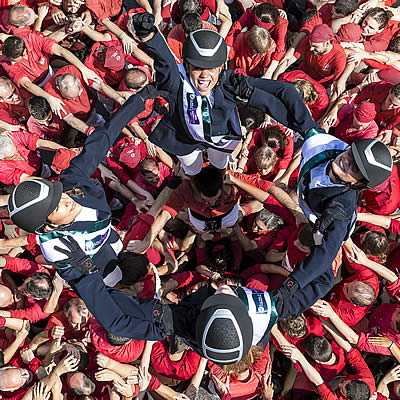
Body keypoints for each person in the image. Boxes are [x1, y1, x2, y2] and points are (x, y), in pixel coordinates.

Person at [7, 86, 165, 287]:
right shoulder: (59, 249)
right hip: (105, 263)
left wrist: (139, 100)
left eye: (59, 194)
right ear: (48, 227)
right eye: (56, 207)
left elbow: (103, 138)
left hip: (111, 234)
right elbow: (99, 296)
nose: (67, 200)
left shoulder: (72, 181)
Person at [129, 12, 319, 175]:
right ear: (187, 65)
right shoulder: (179, 78)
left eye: (211, 68)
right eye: (197, 67)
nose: (204, 74)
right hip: (185, 136)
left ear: (221, 67)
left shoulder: (229, 81)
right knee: (192, 170)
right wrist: (149, 35)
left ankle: (217, 176)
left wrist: (308, 128)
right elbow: (165, 61)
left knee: (219, 165)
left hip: (221, 135)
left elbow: (278, 92)